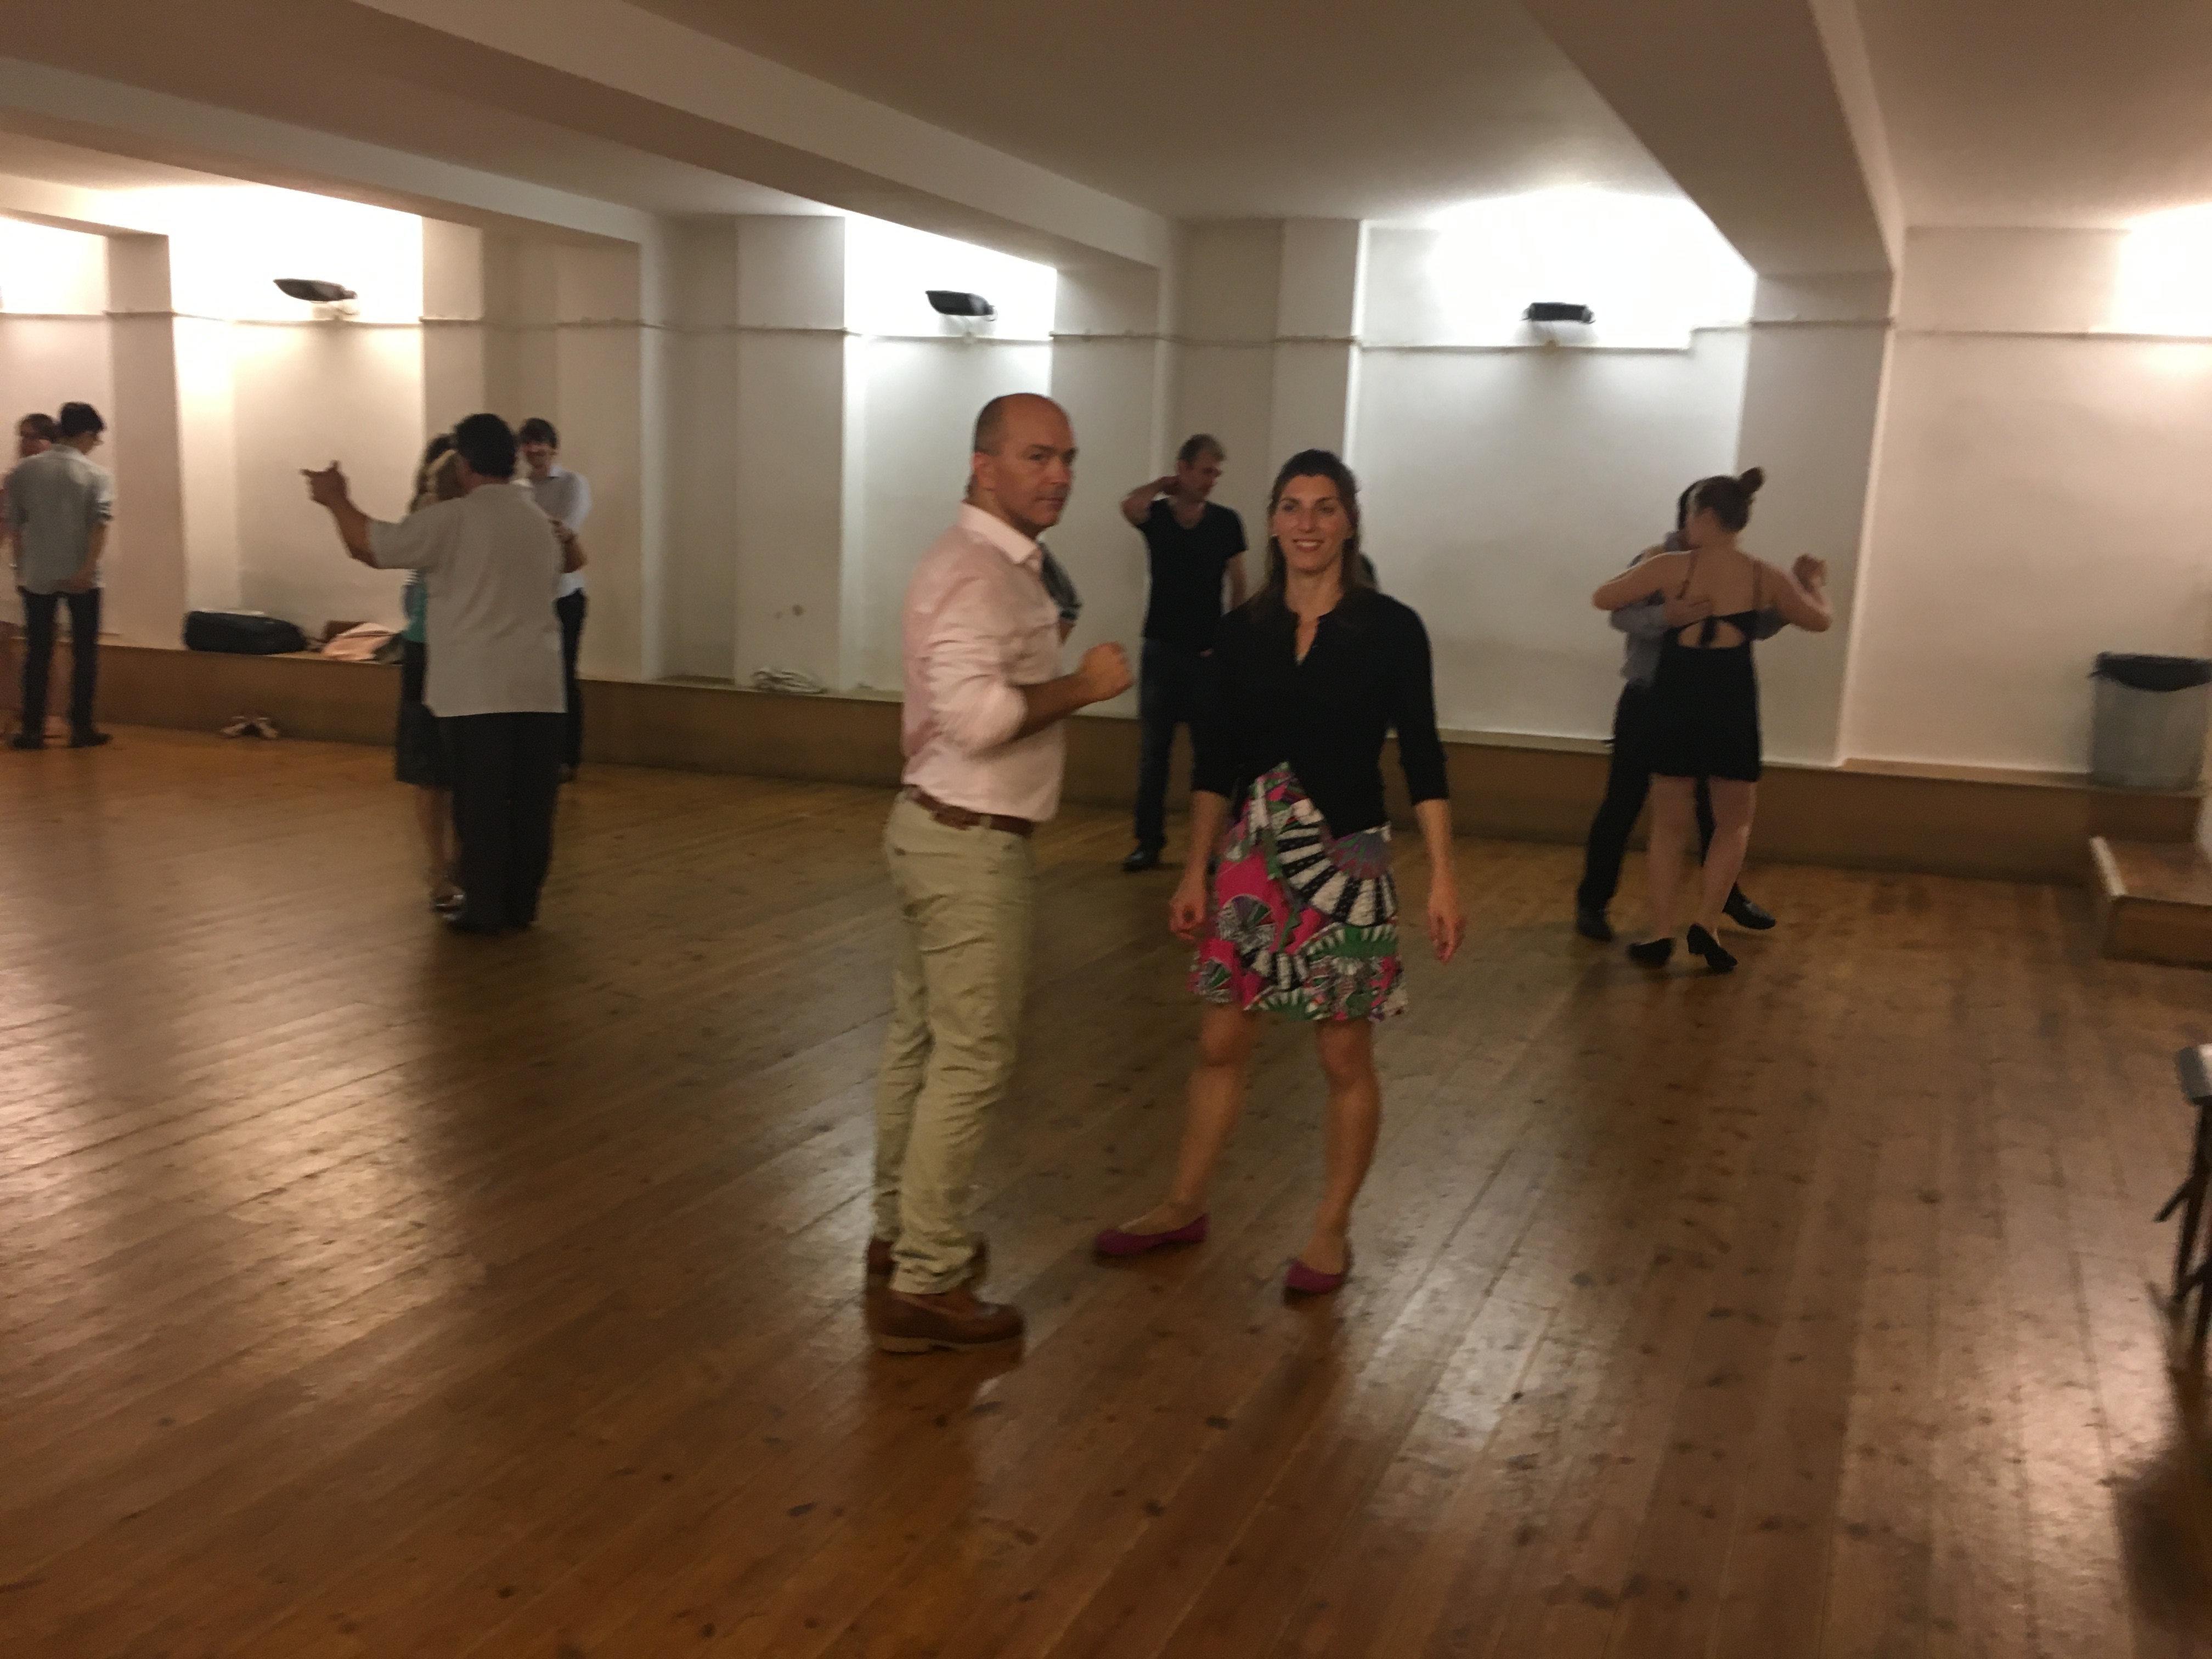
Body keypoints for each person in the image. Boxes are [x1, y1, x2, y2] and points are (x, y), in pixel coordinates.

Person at [1095, 449, 1465, 1295]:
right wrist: (1196, 871)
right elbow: (1213, 766)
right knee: (1221, 1039)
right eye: (1293, 506)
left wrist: (1444, 875)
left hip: (1348, 854)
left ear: (1349, 521)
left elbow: (1424, 756)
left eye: (1325, 507)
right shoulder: (1241, 634)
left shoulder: (1391, 628)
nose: (1307, 523)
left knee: (1342, 1054)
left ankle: (1330, 1229)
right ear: (1271, 521)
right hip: (1252, 851)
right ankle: (1185, 1201)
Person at [868, 392, 1132, 1355]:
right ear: (984, 466)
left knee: (920, 1042)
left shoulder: (986, 563)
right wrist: (1084, 687)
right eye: (1036, 456)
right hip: (969, 843)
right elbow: (979, 720)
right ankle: (926, 1275)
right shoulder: (979, 575)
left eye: (1067, 457)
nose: (1059, 474)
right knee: (971, 1056)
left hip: (933, 825)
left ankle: (901, 1231)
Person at [303, 413, 580, 935]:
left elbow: (370, 545)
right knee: (532, 806)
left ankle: (484, 908)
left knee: (480, 805)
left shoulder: (455, 520)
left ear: (465, 463)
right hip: (541, 685)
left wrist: (336, 500)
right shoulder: (538, 521)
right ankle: (521, 906)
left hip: (477, 689)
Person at [1589, 469, 1831, 973]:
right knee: (1733, 823)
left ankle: (1661, 932)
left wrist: (1662, 590)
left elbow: (1604, 598)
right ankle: (1706, 924)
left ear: (1702, 515)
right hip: (1731, 701)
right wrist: (1812, 585)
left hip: (1676, 698)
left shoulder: (1670, 565)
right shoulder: (1763, 574)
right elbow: (1819, 620)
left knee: (1668, 824)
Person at [1575, 486, 1784, 943]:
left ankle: (1724, 901)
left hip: (1701, 701)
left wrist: (1783, 610)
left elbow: (1753, 627)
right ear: (1692, 517)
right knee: (1624, 800)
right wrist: (1666, 617)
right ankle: (1593, 902)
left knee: (1716, 808)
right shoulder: (1656, 560)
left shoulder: (1736, 568)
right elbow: (1618, 615)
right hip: (1648, 695)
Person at [1118, 435, 1248, 873]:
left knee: (1209, 756)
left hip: (1207, 654)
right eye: (1206, 471)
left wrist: (1230, 642)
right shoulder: (1157, 517)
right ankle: (1148, 842)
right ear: (1185, 469)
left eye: (1216, 473)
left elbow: (1238, 584)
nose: (1212, 480)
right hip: (1161, 648)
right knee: (1153, 753)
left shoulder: (1226, 522)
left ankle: (1209, 849)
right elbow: (1130, 506)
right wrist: (1162, 484)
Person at [9, 402, 114, 751]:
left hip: (38, 572)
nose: (94, 445)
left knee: (37, 652)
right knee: (84, 653)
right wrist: (86, 568)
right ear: (85, 434)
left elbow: (16, 525)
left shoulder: (24, 472)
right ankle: (82, 727)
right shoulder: (96, 475)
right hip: (83, 575)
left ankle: (32, 729)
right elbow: (100, 526)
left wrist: (21, 568)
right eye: (95, 439)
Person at [397, 434, 465, 914]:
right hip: (427, 646)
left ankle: (462, 865)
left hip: (465, 648)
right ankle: (439, 869)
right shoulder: (427, 515)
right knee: (431, 771)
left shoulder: (477, 517)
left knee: (464, 769)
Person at [519, 417, 591, 782]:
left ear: (554, 447)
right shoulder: (518, 488)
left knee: (563, 675)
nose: (535, 450)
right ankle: (538, 754)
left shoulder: (572, 483)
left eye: (541, 443)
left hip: (564, 594)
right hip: (528, 597)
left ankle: (568, 757)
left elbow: (564, 531)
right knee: (533, 678)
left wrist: (527, 518)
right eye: (528, 444)